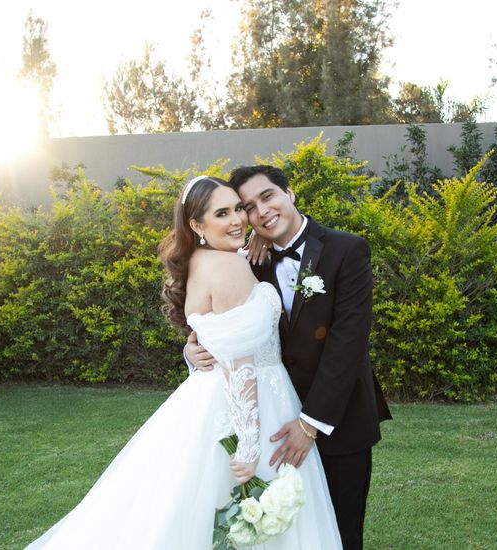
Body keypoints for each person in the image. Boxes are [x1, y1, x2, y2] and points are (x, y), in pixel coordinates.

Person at [25, 175, 342, 549]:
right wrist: (249, 447)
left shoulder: (202, 261)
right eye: (222, 213)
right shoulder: (230, 267)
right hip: (254, 407)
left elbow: (214, 339)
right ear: (196, 224)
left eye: (238, 208)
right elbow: (240, 365)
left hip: (211, 400)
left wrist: (194, 351)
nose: (239, 220)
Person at [185, 165, 393, 550]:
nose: (260, 212)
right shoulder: (247, 260)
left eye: (267, 197)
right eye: (248, 206)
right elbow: (225, 325)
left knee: (342, 535)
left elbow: (347, 345)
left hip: (338, 421)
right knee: (289, 533)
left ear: (290, 193)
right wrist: (193, 350)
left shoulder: (347, 250)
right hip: (274, 424)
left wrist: (310, 423)